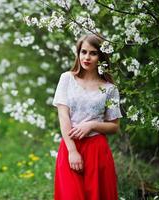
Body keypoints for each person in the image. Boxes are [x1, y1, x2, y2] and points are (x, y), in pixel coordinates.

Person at [52, 33, 123, 200]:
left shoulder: (110, 89)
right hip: (71, 146)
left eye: (93, 53)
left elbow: (114, 126)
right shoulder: (67, 79)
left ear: (101, 56)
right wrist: (72, 151)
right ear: (78, 53)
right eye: (83, 52)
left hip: (97, 151)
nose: (87, 57)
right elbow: (63, 116)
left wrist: (91, 125)